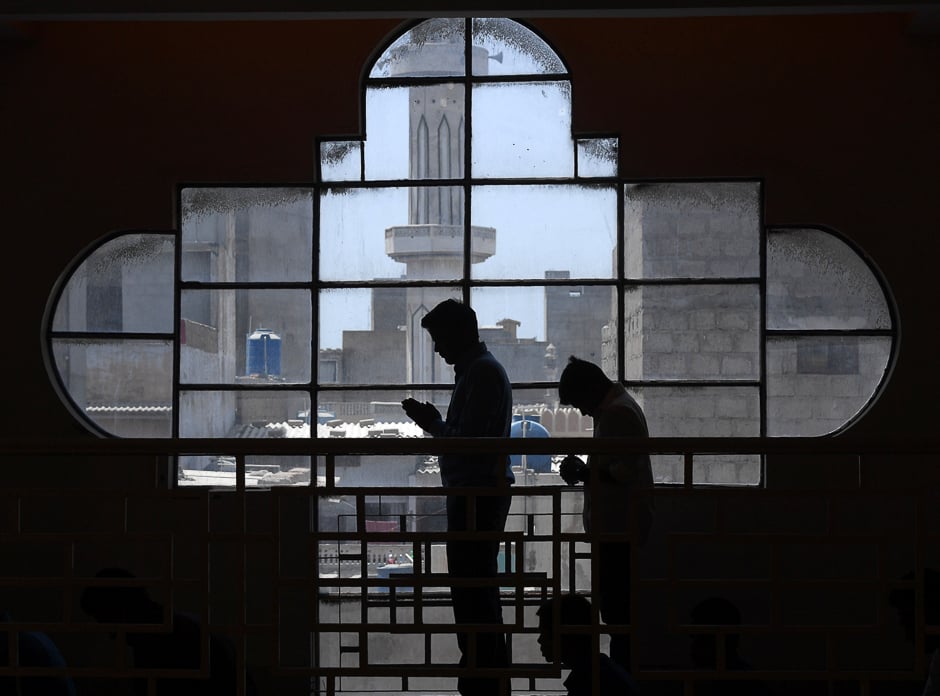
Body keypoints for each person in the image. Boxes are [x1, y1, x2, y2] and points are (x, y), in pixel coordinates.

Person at [401, 298, 513, 696]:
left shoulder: (481, 374)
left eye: (438, 338)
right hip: (476, 494)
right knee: (475, 589)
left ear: (457, 334)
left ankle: (483, 676)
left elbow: (470, 444)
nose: (436, 348)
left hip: (476, 496)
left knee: (473, 591)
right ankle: (484, 673)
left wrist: (432, 424)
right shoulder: (479, 371)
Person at [557, 355, 654, 669]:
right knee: (618, 617)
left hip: (617, 531)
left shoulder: (616, 415)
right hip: (619, 529)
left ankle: (622, 680)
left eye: (579, 402)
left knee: (617, 617)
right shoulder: (617, 409)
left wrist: (584, 474)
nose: (582, 412)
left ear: (590, 389)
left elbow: (622, 472)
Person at [80, 567, 256, 696]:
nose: (111, 635)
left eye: (108, 622)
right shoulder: (179, 626)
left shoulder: (158, 644)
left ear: (121, 612)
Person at [536, 593, 640, 696]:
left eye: (545, 633)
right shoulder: (601, 672)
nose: (539, 640)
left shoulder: (592, 681)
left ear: (567, 635)